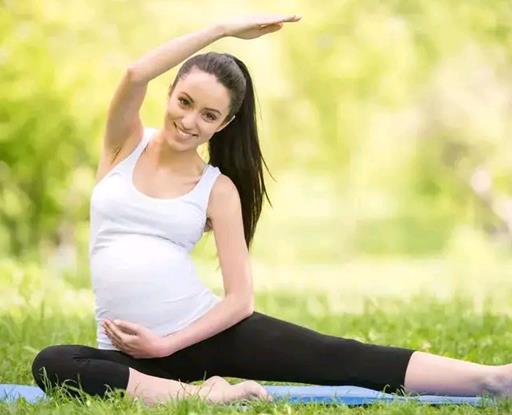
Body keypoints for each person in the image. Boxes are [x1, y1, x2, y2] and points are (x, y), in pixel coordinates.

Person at [31, 13, 512, 406]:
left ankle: (494, 380)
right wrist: (219, 30)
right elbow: (135, 74)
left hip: (199, 335)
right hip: (126, 356)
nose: (189, 120)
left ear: (225, 123)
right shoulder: (124, 145)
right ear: (171, 91)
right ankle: (201, 397)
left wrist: (168, 344)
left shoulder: (215, 189)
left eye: (209, 115)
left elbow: (240, 300)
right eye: (185, 101)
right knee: (51, 363)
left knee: (339, 356)